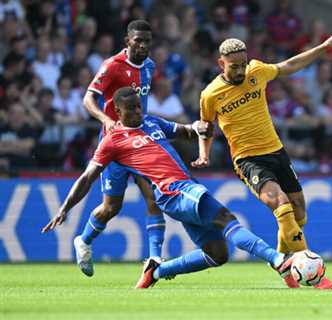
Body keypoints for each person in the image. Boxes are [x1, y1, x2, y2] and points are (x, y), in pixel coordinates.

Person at [41, 87, 294, 289]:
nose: (138, 112)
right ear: (117, 111)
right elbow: (87, 177)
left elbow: (182, 131)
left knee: (217, 254)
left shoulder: (151, 122)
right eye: (131, 110)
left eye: (139, 106)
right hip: (172, 190)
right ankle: (277, 260)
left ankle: (158, 271)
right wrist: (65, 207)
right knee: (226, 218)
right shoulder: (112, 141)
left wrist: (197, 128)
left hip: (185, 189)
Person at [192, 35, 332, 289]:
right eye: (234, 66)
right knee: (281, 204)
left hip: (276, 152)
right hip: (248, 159)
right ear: (221, 63)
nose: (241, 70)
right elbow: (206, 127)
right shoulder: (210, 94)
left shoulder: (257, 71)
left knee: (299, 213)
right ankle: (310, 271)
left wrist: (322, 48)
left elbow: (289, 66)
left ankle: (281, 261)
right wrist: (204, 153)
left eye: (243, 64)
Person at [75, 19, 164, 277]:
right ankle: (84, 240)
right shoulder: (112, 66)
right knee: (112, 207)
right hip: (115, 146)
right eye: (138, 40)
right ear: (127, 41)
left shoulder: (150, 66)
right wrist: (107, 120)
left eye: (147, 41)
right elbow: (88, 98)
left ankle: (155, 258)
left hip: (142, 143)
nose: (143, 45)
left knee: (153, 197)